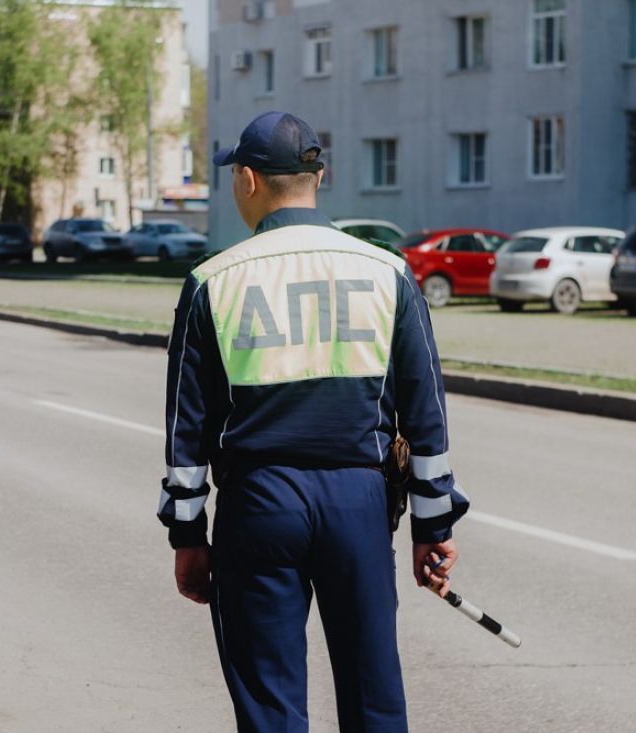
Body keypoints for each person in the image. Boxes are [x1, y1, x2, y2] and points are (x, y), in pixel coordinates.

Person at [157, 111, 470, 732]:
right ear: (318, 176)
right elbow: (426, 413)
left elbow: (186, 431)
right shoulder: (388, 272)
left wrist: (187, 535)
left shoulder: (211, 282)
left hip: (259, 505)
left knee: (269, 701)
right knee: (373, 693)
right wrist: (432, 522)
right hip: (360, 500)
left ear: (246, 179)